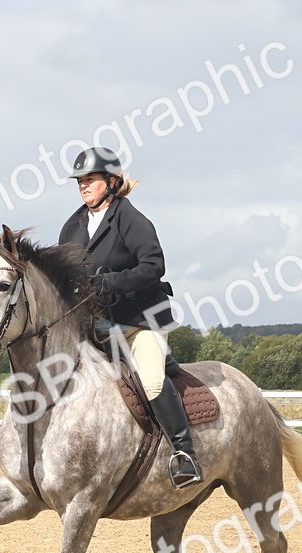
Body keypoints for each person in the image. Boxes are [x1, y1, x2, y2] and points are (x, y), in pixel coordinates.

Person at [58, 147, 203, 489]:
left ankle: (185, 454)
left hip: (140, 321)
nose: (83, 185)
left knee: (150, 380)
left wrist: (109, 283)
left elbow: (154, 266)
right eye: (80, 180)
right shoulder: (72, 226)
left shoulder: (130, 218)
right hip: (97, 326)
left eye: (90, 179)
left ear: (111, 182)